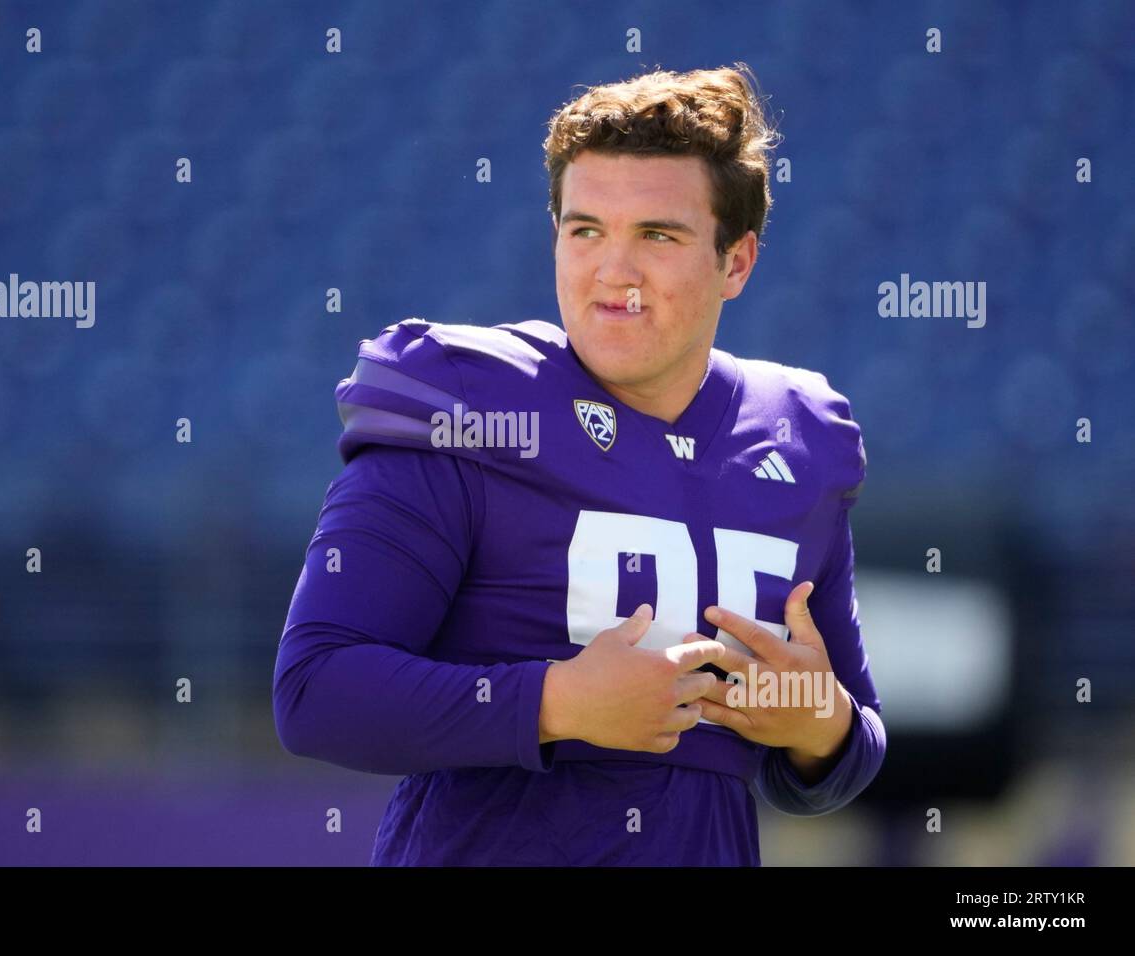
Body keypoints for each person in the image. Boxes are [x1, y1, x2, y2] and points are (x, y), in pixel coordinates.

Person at [274, 64, 885, 865]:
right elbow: (316, 690)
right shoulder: (467, 404)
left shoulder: (800, 436)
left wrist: (818, 723)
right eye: (585, 229)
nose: (613, 273)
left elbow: (855, 733)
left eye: (657, 236)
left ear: (736, 262)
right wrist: (554, 702)